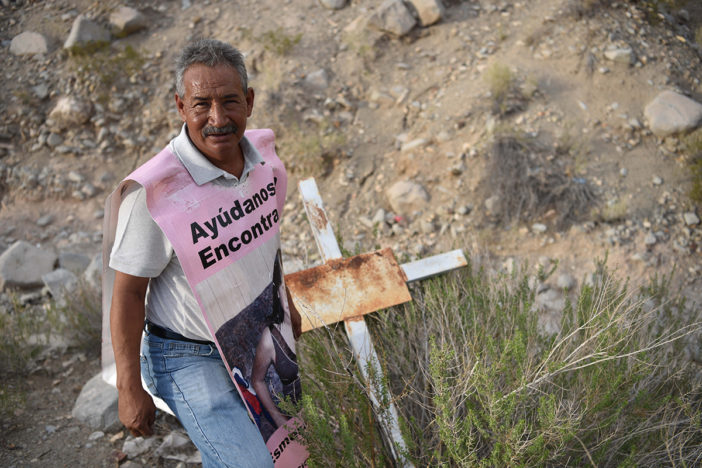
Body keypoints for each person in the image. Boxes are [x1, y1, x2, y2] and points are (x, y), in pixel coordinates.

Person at [106, 39, 301, 468]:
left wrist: (286, 307)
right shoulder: (156, 195)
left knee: (289, 456)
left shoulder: (264, 164)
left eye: (230, 101)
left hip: (257, 341)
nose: (217, 118)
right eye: (201, 104)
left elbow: (264, 241)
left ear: (249, 101)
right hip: (189, 357)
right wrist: (129, 387)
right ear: (180, 107)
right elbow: (127, 293)